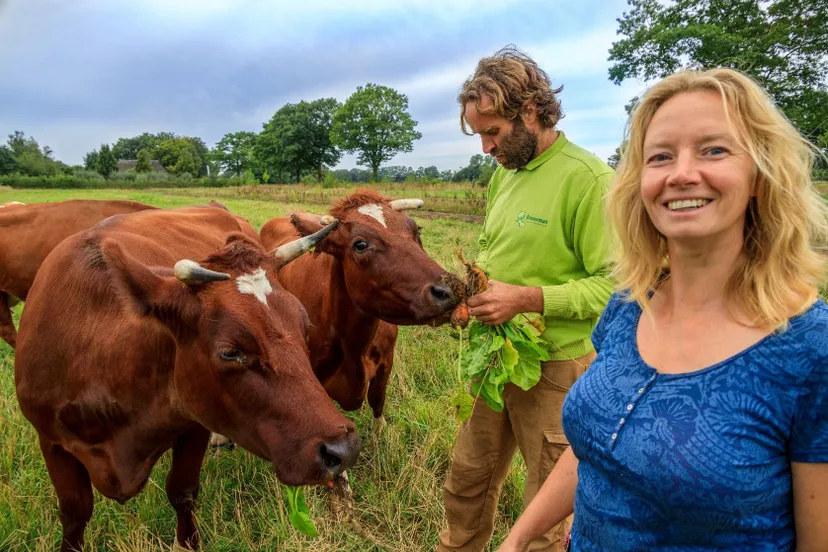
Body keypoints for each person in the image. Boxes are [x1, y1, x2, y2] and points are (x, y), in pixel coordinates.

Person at [496, 67, 828, 552]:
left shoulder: (808, 349)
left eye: (714, 150)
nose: (681, 173)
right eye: (660, 156)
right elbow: (595, 447)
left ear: (760, 174)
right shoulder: (630, 303)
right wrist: (518, 537)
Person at [437, 46, 614, 552]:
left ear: (530, 111)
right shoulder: (504, 174)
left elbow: (614, 286)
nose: (486, 147)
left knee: (547, 501)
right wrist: (474, 292)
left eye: (492, 131)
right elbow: (491, 247)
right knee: (468, 476)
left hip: (556, 366)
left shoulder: (589, 180)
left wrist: (527, 299)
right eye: (480, 135)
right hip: (497, 357)